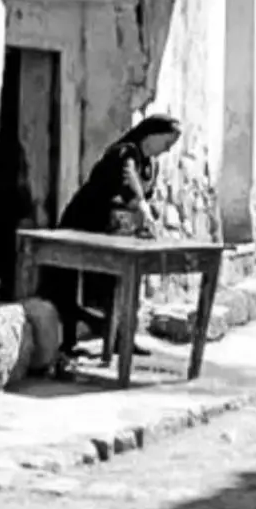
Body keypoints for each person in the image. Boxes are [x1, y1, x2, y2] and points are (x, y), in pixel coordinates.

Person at [43, 114, 183, 369]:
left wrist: (146, 218)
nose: (168, 149)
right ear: (151, 135)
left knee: (120, 283)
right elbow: (128, 180)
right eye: (167, 142)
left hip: (113, 232)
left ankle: (120, 338)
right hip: (83, 224)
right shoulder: (124, 152)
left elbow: (146, 198)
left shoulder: (151, 165)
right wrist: (141, 206)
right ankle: (68, 342)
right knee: (69, 282)